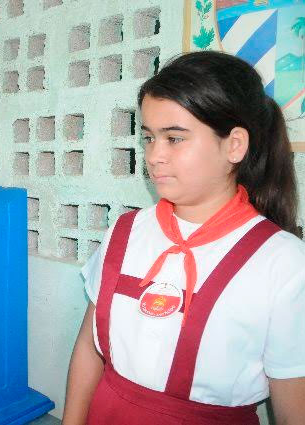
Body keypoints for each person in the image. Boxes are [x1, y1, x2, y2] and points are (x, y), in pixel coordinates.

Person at [62, 51, 305, 425]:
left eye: (174, 138)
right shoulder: (126, 232)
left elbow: (293, 411)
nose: (155, 155)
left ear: (235, 145)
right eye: (149, 138)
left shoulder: (283, 262)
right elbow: (88, 348)